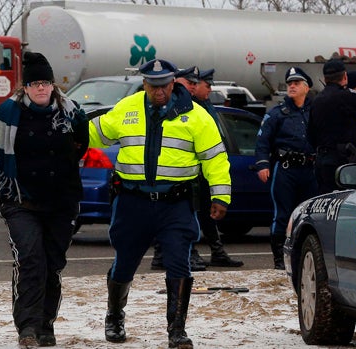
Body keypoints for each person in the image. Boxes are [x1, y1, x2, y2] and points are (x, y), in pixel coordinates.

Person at [89, 58, 231, 349]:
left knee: (179, 264)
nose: (159, 91)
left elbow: (215, 158)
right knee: (125, 263)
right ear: (144, 84)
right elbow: (93, 134)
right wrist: (66, 123)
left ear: (174, 83)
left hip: (175, 204)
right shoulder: (126, 109)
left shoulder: (196, 115)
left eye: (164, 85)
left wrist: (220, 195)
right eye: (153, 85)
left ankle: (176, 330)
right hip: (132, 203)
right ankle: (114, 316)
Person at [0, 51, 89, 347]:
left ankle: (46, 323)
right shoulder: (6, 114)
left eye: (46, 82)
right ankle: (27, 327)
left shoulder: (73, 112)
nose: (41, 88)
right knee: (31, 260)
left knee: (52, 263)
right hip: (21, 200)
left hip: (61, 201)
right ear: (25, 87)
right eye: (35, 83)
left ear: (53, 84)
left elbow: (80, 147)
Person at [255, 67, 317, 270]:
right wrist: (263, 164)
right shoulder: (277, 113)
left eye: (296, 83)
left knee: (308, 215)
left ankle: (302, 256)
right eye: (290, 83)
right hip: (286, 170)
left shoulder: (315, 112)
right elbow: (262, 141)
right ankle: (279, 259)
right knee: (283, 214)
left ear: (306, 88)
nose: (291, 86)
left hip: (310, 170)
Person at [151, 65, 206, 271]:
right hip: (168, 171)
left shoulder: (197, 106)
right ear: (176, 82)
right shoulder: (165, 105)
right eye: (189, 83)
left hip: (189, 170)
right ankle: (177, 254)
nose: (193, 87)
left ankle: (173, 254)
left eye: (195, 83)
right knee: (175, 217)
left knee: (185, 216)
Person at [192, 68, 243, 268]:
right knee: (194, 212)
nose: (209, 89)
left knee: (207, 211)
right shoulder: (191, 108)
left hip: (208, 169)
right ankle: (192, 252)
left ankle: (217, 251)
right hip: (197, 169)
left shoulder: (206, 105)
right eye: (207, 85)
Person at [307, 59, 356, 194]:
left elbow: (310, 134)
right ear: (345, 77)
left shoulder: (317, 100)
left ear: (324, 78)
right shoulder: (345, 97)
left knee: (325, 200)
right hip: (342, 163)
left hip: (322, 161)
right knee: (344, 200)